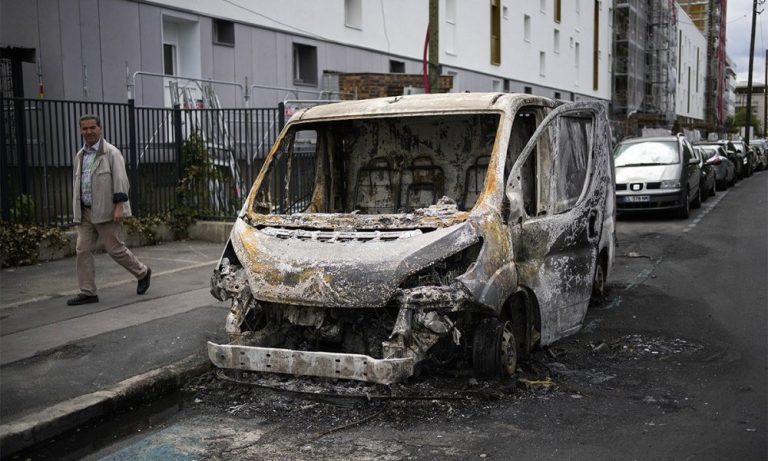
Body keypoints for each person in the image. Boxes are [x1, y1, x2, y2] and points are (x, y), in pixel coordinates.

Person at [66, 114, 151, 305]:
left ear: (100, 128)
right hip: (86, 212)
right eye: (84, 128)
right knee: (82, 249)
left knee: (115, 250)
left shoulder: (111, 153)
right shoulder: (80, 155)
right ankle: (88, 292)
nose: (88, 132)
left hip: (107, 210)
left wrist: (119, 206)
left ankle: (143, 272)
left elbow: (121, 180)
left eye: (92, 128)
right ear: (80, 131)